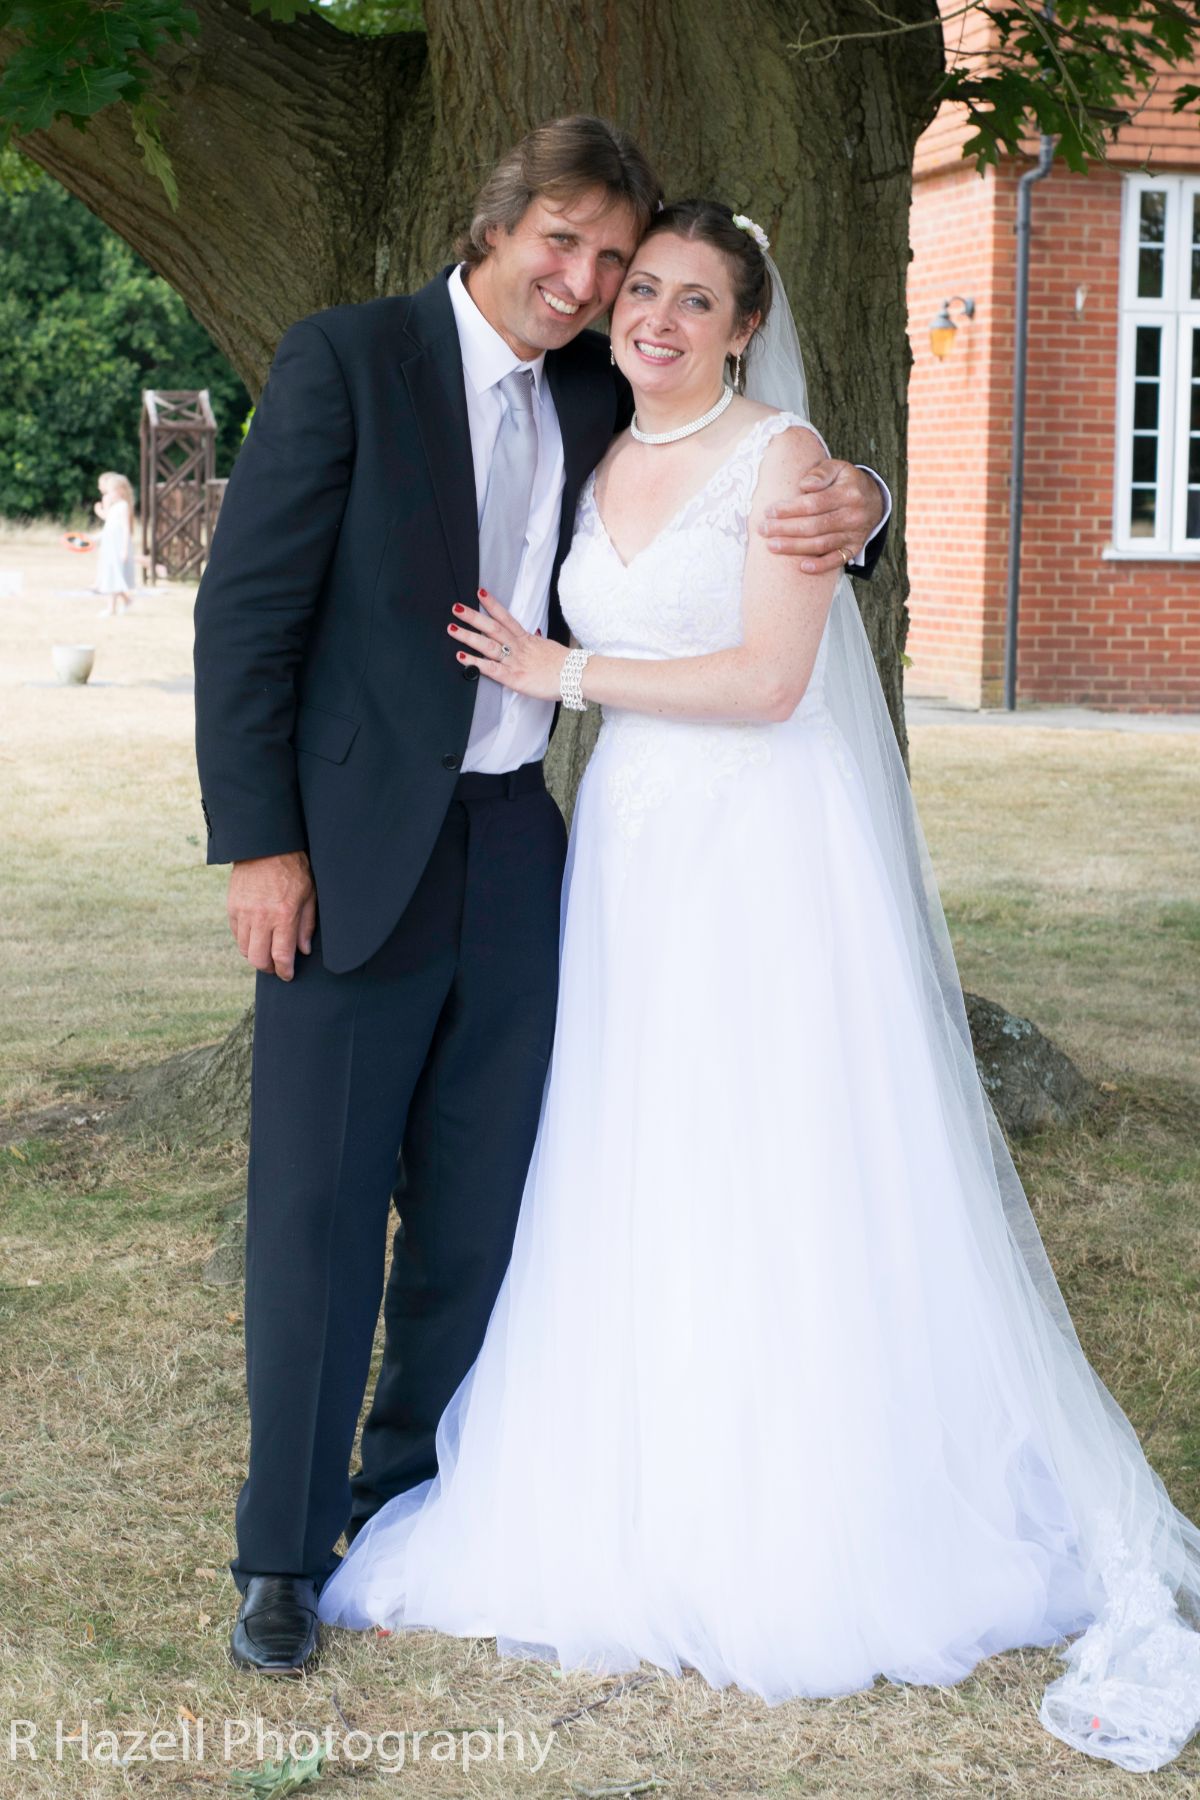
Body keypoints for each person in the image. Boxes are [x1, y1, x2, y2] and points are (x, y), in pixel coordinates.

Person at [316, 202, 1200, 1775]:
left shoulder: (785, 462)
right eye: (641, 289)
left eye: (695, 299)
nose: (656, 317)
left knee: (767, 1142)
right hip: (633, 851)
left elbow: (772, 682)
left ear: (744, 327)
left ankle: (804, 1489)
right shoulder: (591, 438)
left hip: (759, 847)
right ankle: (630, 1463)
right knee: (634, 1141)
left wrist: (567, 671)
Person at [192, 118, 890, 1681]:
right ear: (495, 226)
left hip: (524, 852)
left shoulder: (595, 385)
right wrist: (262, 847)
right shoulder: (348, 360)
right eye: (562, 244)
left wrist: (866, 494)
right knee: (316, 1211)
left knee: (480, 1207)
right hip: (349, 856)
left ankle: (410, 1498)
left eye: (612, 259)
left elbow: (734, 451)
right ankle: (282, 1557)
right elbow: (245, 619)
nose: (585, 283)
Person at [94, 472, 136, 616]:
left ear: (120, 491)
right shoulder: (114, 507)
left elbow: (125, 528)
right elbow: (108, 528)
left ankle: (112, 608)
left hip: (117, 546)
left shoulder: (123, 506)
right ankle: (125, 601)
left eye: (111, 491)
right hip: (109, 545)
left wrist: (124, 549)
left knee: (113, 575)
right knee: (110, 574)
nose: (108, 494)